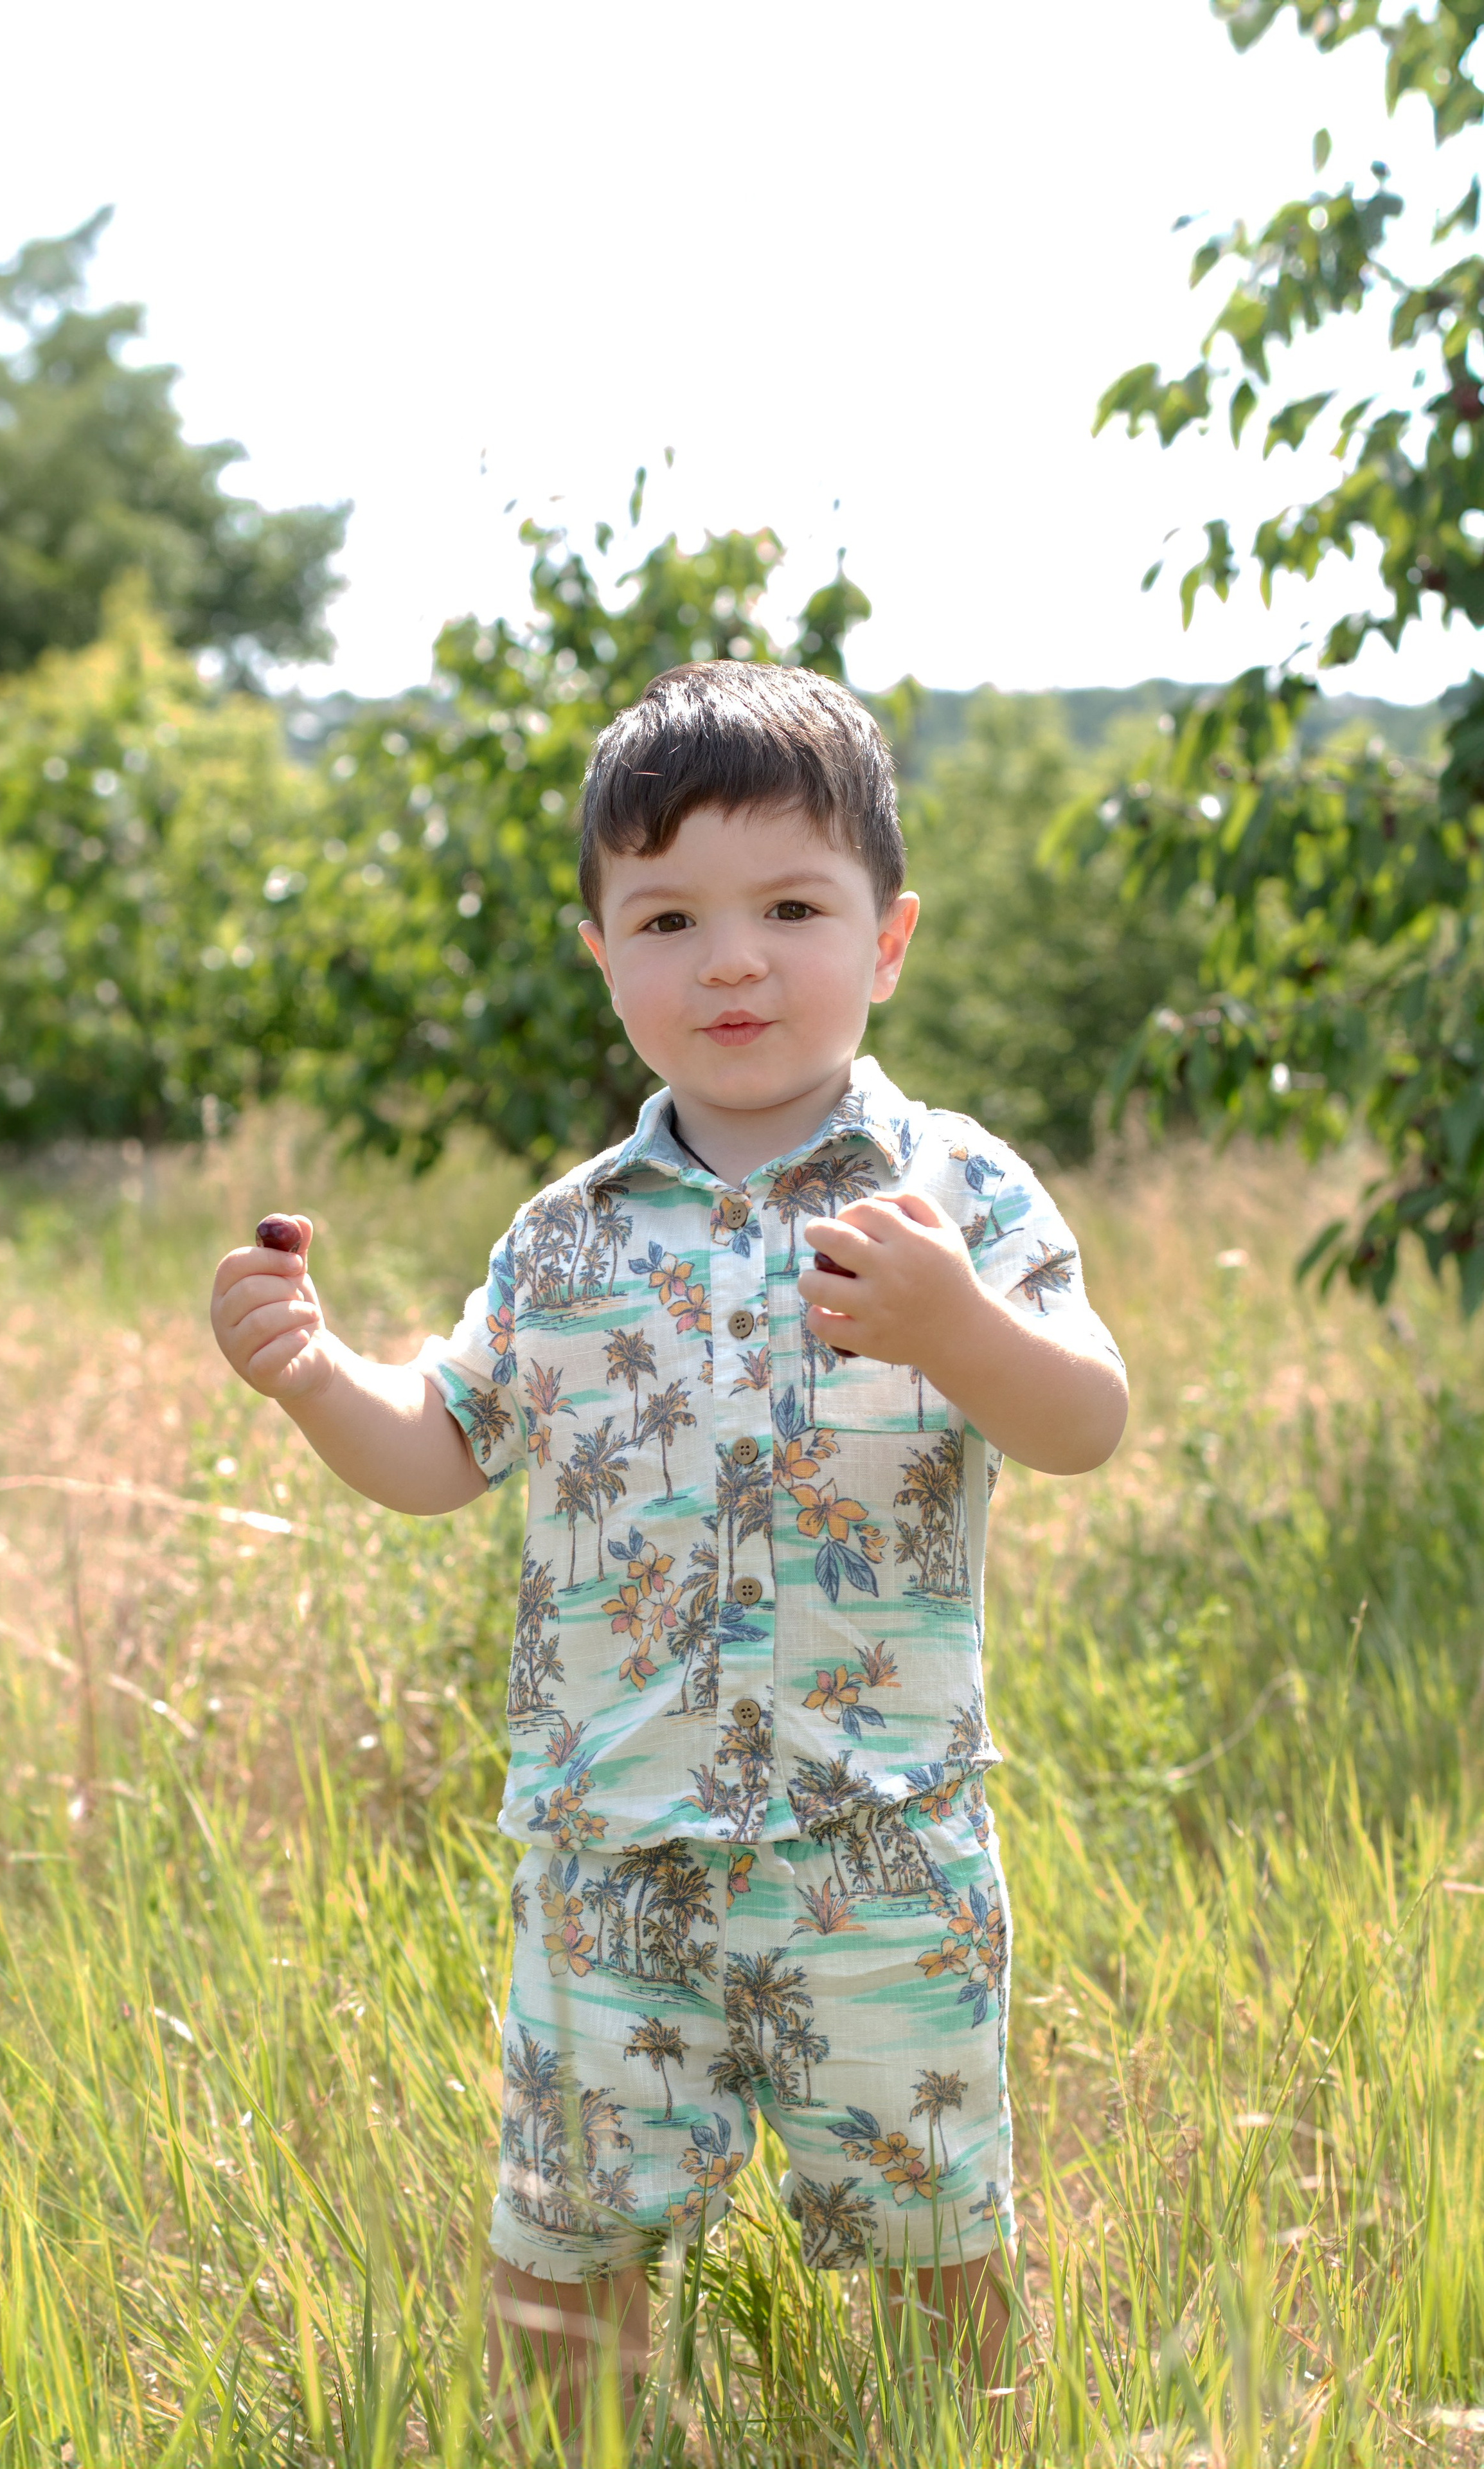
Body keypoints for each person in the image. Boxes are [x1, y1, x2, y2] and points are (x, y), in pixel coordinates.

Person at [210, 661, 1127, 2436]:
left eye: (792, 906)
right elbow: (439, 1447)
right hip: (608, 1856)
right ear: (602, 954)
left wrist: (956, 1329)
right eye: (670, 915)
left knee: (940, 2229)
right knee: (569, 2247)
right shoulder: (565, 1239)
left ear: (889, 938)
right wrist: (314, 1371)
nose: (731, 959)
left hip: (879, 1852)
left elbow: (1083, 1417)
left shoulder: (955, 1195)